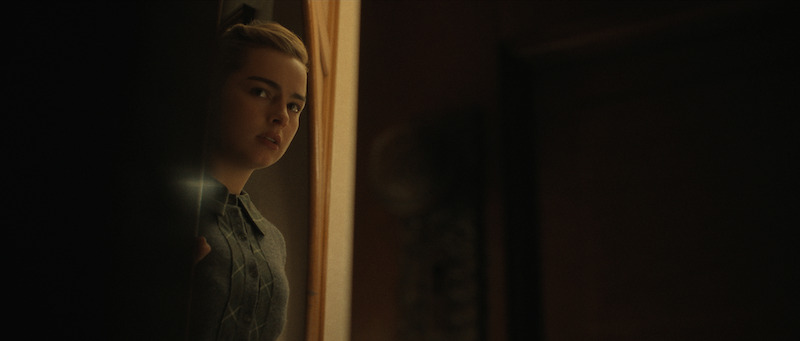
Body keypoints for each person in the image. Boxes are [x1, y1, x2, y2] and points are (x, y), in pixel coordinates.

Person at [187, 21, 308, 341]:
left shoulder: (272, 240)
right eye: (261, 91)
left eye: (294, 105)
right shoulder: (166, 209)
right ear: (214, 90)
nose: (282, 115)